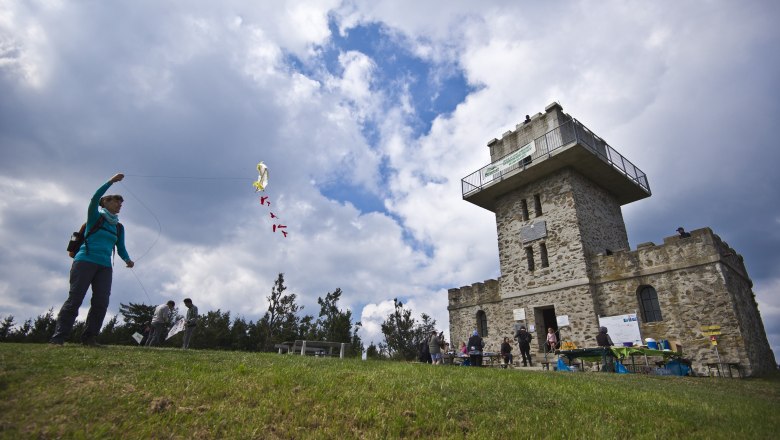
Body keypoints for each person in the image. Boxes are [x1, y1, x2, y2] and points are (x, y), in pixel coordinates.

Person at [50, 173, 134, 346]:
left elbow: (121, 247)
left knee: (101, 302)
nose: (119, 204)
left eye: (121, 202)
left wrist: (127, 259)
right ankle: (58, 337)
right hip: (85, 261)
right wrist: (111, 181)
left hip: (105, 267)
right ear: (105, 202)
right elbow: (94, 198)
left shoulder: (119, 227)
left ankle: (89, 338)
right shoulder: (95, 217)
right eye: (115, 200)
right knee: (75, 299)